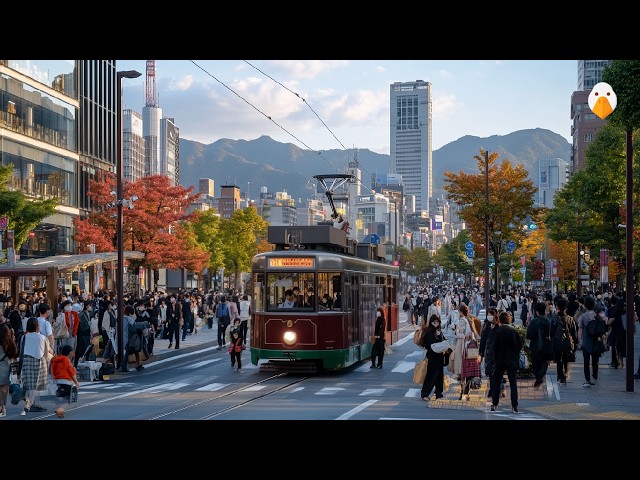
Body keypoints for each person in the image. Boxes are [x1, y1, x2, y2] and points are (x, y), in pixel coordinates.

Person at [18, 317, 53, 415]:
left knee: (29, 384)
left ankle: (30, 403)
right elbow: (46, 353)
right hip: (39, 361)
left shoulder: (24, 337)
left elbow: (21, 351)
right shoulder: (42, 337)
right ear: (37, 326)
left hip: (26, 360)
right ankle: (28, 406)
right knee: (35, 385)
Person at [490, 311, 523, 413]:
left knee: (496, 382)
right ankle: (514, 405)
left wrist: (493, 360)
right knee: (513, 383)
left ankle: (495, 404)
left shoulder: (498, 331)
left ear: (500, 320)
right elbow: (520, 346)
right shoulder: (514, 331)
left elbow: (494, 347)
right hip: (512, 360)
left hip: (500, 360)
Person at [420, 314, 448, 401]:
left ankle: (439, 393)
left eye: (437, 322)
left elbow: (443, 340)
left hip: (439, 356)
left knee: (439, 375)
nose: (436, 324)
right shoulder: (429, 332)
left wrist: (439, 336)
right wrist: (437, 336)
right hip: (432, 356)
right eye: (434, 322)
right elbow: (431, 344)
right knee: (431, 375)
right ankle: (425, 393)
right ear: (431, 322)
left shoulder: (438, 330)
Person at [550, 297, 578, 384]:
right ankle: (566, 374)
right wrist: (575, 342)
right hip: (568, 342)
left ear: (557, 307)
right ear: (566, 308)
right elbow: (574, 333)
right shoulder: (570, 319)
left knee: (559, 361)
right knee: (566, 359)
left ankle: (560, 376)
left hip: (557, 342)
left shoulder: (554, 318)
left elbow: (551, 332)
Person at [49, 344, 80, 418]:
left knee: (61, 397)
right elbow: (71, 373)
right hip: (66, 382)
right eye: (72, 352)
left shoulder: (54, 360)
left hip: (57, 382)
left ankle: (58, 408)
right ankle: (60, 409)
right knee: (69, 401)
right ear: (70, 353)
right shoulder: (66, 360)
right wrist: (76, 383)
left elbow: (51, 371)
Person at [526, 300, 552, 389]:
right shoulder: (548, 321)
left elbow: (528, 334)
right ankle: (540, 376)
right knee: (544, 362)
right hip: (546, 346)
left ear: (536, 312)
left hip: (535, 346)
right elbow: (550, 334)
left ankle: (539, 377)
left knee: (535, 364)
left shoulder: (533, 322)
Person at [577, 296, 601, 387]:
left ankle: (587, 380)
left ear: (585, 306)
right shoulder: (597, 315)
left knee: (586, 362)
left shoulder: (582, 316)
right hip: (596, 341)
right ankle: (595, 377)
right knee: (595, 361)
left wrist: (579, 341)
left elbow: (580, 329)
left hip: (586, 341)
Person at [479, 307, 503, 401]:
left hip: (496, 354)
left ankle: (495, 390)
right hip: (488, 353)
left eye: (491, 314)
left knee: (496, 373)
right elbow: (483, 339)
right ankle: (493, 389)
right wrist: (481, 352)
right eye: (488, 314)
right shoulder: (486, 325)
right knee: (489, 372)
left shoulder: (498, 326)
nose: (489, 316)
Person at [0, 323, 19, 417]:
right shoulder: (10, 343)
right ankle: (3, 408)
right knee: (4, 390)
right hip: (5, 368)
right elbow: (15, 354)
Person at [606, 294, 626, 369]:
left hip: (615, 330)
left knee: (614, 346)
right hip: (622, 330)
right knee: (620, 346)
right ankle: (620, 362)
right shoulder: (623, 310)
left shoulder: (614, 310)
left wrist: (606, 321)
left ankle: (616, 362)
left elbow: (609, 322)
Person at [75, 300, 93, 366]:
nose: (90, 307)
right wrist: (88, 325)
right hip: (83, 333)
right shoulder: (82, 314)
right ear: (87, 306)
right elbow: (82, 325)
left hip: (87, 333)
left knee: (86, 348)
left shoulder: (87, 313)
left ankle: (85, 362)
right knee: (83, 348)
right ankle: (81, 363)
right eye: (90, 305)